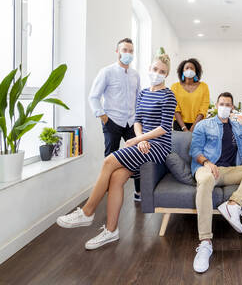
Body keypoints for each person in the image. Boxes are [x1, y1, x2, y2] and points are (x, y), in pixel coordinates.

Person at [57, 53, 177, 250]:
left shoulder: (168, 96)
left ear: (167, 75)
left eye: (162, 72)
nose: (157, 73)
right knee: (116, 178)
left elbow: (165, 127)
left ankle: (87, 212)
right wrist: (139, 139)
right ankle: (111, 230)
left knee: (109, 161)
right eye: (155, 69)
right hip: (143, 144)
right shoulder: (144, 93)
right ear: (149, 69)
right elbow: (138, 120)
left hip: (159, 147)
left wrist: (139, 139)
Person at [190, 92, 242, 273]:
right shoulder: (204, 125)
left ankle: (233, 204)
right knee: (206, 180)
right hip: (207, 169)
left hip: (229, 171)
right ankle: (205, 243)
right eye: (222, 103)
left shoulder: (237, 127)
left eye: (228, 104)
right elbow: (194, 150)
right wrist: (207, 163)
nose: (225, 107)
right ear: (216, 105)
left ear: (232, 107)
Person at [88, 38, 142, 202]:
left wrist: (139, 118)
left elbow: (138, 97)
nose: (128, 53)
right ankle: (109, 191)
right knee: (110, 157)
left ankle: (139, 192)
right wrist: (103, 116)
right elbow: (93, 97)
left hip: (131, 121)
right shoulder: (106, 72)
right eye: (124, 50)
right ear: (117, 52)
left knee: (139, 153)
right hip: (112, 121)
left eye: (131, 51)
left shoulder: (135, 75)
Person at [171, 58, 210, 132]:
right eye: (187, 68)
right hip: (179, 125)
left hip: (199, 124)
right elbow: (175, 108)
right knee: (181, 144)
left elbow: (203, 108)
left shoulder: (204, 87)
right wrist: (184, 128)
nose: (189, 70)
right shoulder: (175, 87)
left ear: (196, 71)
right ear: (182, 71)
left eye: (192, 68)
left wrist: (194, 126)